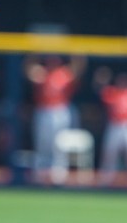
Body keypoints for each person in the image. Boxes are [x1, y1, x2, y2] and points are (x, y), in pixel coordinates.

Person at [24, 54, 87, 183]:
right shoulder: (42, 73)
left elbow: (78, 69)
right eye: (50, 61)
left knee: (59, 142)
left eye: (55, 61)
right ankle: (41, 173)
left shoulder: (63, 73)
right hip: (44, 110)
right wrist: (32, 54)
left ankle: (59, 173)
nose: (52, 63)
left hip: (60, 111)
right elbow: (28, 70)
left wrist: (77, 54)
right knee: (42, 143)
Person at [92, 66, 127, 187]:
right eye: (121, 80)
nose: (123, 82)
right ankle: (106, 180)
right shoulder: (112, 92)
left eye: (126, 80)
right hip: (116, 126)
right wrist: (101, 79)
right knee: (110, 153)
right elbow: (99, 89)